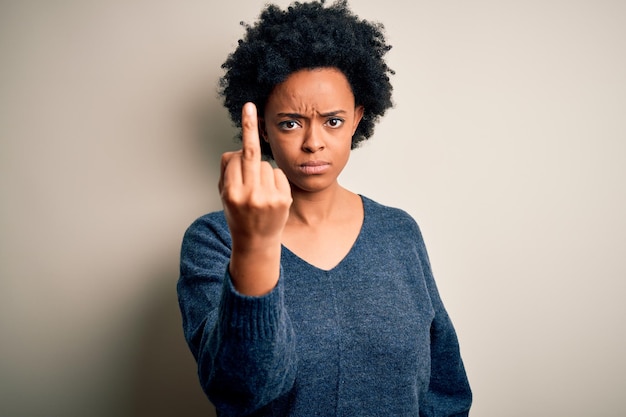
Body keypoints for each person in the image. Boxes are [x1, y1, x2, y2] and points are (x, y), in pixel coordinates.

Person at [177, 1, 472, 415]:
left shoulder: (399, 231)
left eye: (332, 121)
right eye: (290, 122)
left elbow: (444, 387)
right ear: (263, 127)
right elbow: (242, 389)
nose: (313, 142)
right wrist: (256, 245)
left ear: (357, 118)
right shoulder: (214, 241)